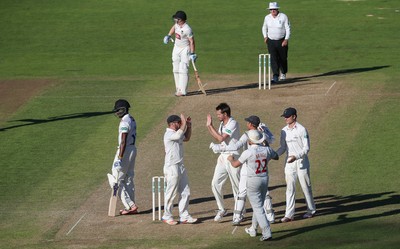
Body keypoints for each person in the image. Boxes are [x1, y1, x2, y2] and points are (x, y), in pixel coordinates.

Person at [210, 115, 277, 225]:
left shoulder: (248, 134)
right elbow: (272, 140)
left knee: (242, 192)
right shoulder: (262, 133)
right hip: (261, 167)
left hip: (248, 165)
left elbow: (236, 146)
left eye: (248, 122)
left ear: (251, 124)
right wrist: (265, 130)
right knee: (264, 192)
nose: (246, 124)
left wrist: (219, 148)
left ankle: (237, 217)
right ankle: (270, 216)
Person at [227, 129, 278, 241]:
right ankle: (253, 229)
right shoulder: (267, 150)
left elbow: (235, 165)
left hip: (253, 181)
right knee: (258, 205)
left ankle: (267, 232)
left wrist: (231, 159)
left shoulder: (248, 152)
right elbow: (276, 156)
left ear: (250, 141)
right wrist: (266, 145)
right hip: (264, 179)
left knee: (258, 207)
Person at [276, 107, 316, 222]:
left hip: (302, 162)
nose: (285, 119)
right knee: (290, 188)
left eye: (287, 117)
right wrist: (274, 155)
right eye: (284, 117)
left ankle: (311, 210)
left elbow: (306, 148)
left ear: (294, 116)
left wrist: (296, 157)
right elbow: (283, 147)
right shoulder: (284, 130)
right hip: (289, 163)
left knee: (305, 187)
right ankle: (289, 215)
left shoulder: (302, 130)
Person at [206, 103, 241, 222]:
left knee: (235, 186)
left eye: (219, 114)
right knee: (215, 183)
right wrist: (209, 127)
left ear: (225, 114)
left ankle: (239, 212)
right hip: (223, 156)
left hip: (233, 156)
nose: (217, 116)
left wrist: (210, 126)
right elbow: (220, 139)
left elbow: (221, 138)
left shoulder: (233, 123)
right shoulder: (222, 124)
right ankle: (221, 209)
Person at [161, 114, 198, 225]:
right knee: (171, 192)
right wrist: (184, 123)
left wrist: (189, 126)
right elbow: (178, 136)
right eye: (178, 122)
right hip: (171, 166)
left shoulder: (177, 133)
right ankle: (167, 216)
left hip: (180, 166)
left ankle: (184, 216)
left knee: (185, 191)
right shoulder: (168, 134)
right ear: (172, 123)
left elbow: (186, 138)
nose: (180, 124)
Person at [110, 99, 138, 215]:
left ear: (123, 109)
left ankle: (130, 205)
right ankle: (131, 206)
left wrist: (120, 157)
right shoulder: (132, 119)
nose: (116, 113)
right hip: (132, 150)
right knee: (128, 178)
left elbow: (123, 141)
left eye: (118, 110)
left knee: (115, 180)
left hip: (125, 151)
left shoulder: (124, 122)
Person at [163, 10, 197, 97]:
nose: (175, 20)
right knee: (175, 68)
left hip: (185, 49)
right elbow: (174, 28)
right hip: (176, 47)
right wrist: (169, 35)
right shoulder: (177, 25)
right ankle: (178, 88)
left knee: (183, 68)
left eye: (176, 19)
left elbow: (192, 41)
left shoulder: (187, 29)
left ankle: (183, 91)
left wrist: (192, 53)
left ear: (181, 20)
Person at [261, 2, 291, 83]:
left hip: (282, 40)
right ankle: (275, 75)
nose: (273, 11)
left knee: (283, 58)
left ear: (277, 9)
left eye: (274, 9)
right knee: (273, 58)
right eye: (271, 9)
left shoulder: (283, 16)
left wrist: (286, 39)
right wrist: (265, 36)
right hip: (271, 41)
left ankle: (283, 73)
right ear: (269, 10)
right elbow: (264, 27)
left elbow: (288, 28)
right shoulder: (267, 17)